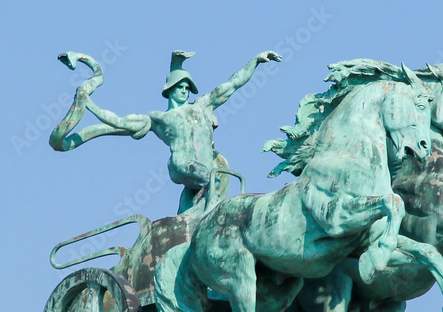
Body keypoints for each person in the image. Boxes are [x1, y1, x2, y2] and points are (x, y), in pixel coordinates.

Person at [50, 49, 281, 214]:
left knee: (191, 209)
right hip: (183, 165)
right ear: (169, 90)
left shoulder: (202, 106)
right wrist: (88, 103)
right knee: (210, 183)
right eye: (179, 87)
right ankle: (215, 214)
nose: (184, 90)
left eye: (186, 87)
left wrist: (256, 61)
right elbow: (119, 122)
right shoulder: (159, 118)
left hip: (207, 168)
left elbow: (232, 85)